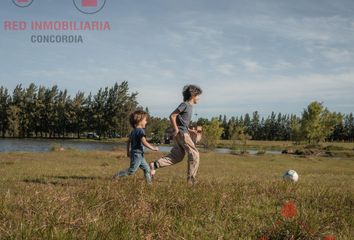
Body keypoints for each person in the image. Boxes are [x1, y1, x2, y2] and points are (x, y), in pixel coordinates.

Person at [149, 84, 203, 185]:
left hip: (183, 133)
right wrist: (176, 129)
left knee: (177, 156)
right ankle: (191, 180)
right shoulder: (185, 105)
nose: (199, 98)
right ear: (192, 95)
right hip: (182, 134)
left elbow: (182, 121)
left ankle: (155, 165)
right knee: (195, 154)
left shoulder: (189, 107)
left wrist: (190, 130)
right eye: (198, 95)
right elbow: (172, 116)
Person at [113, 110, 159, 183]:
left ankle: (149, 184)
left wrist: (128, 151)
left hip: (138, 154)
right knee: (132, 170)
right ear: (139, 120)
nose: (146, 122)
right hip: (137, 155)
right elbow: (144, 142)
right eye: (145, 120)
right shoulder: (140, 131)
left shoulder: (133, 131)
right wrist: (153, 148)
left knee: (146, 169)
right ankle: (117, 176)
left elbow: (128, 142)